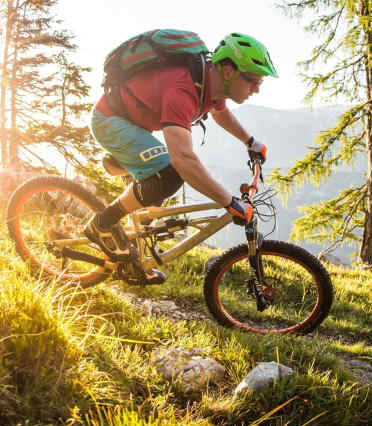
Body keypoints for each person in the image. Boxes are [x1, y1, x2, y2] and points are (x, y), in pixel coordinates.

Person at [84, 32, 276, 259]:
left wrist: (250, 142)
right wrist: (229, 202)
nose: (257, 88)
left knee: (157, 188)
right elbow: (183, 160)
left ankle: (129, 181)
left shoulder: (210, 81)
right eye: (252, 80)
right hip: (110, 121)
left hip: (136, 124)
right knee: (170, 176)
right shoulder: (183, 90)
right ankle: (101, 224)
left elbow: (219, 111)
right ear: (228, 71)